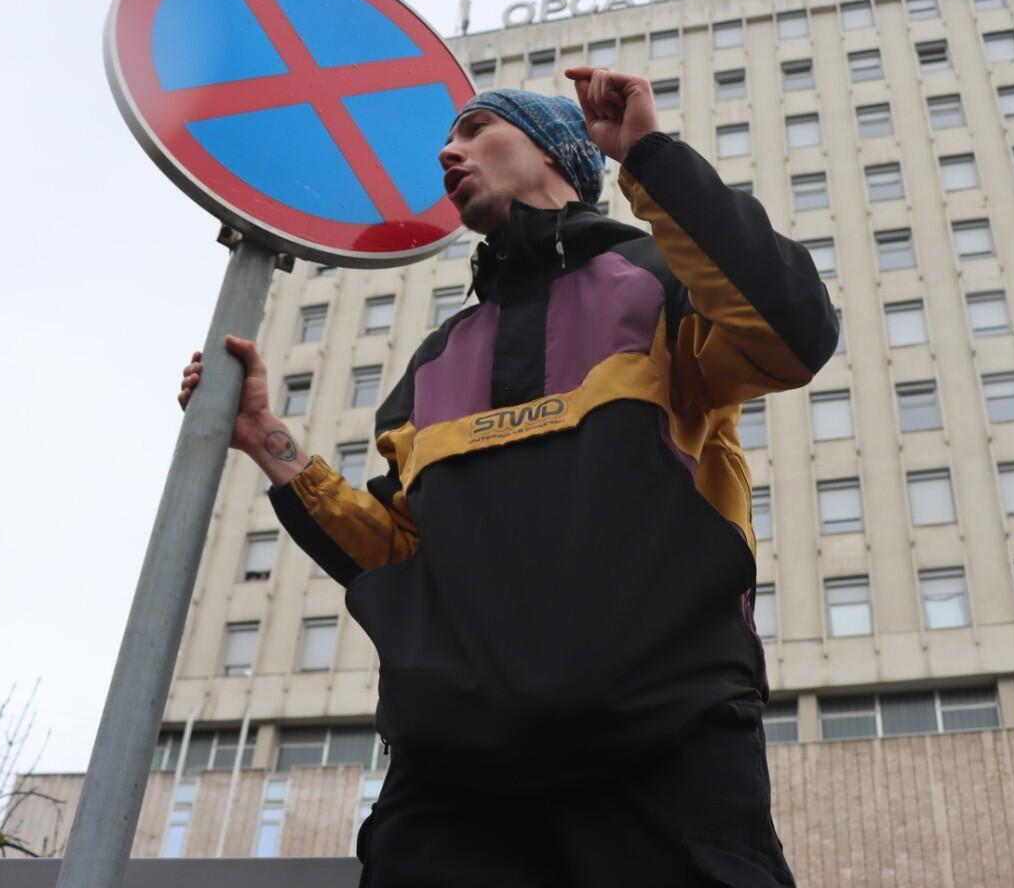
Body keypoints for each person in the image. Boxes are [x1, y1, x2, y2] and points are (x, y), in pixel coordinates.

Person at [179, 67, 837, 886]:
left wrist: (649, 155)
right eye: (448, 139)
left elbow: (790, 334)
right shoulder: (433, 362)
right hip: (452, 777)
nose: (447, 153)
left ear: (555, 151)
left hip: (666, 741)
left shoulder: (661, 283)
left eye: (476, 129)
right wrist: (268, 442)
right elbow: (401, 555)